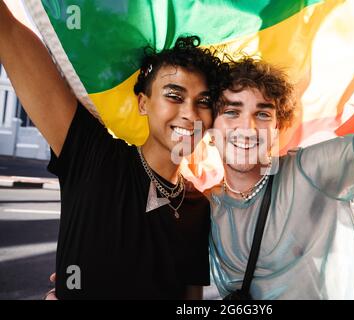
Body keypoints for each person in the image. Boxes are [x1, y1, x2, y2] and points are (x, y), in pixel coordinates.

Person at [0, 1, 230, 299]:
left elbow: (190, 300)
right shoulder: (92, 155)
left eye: (203, 102)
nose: (190, 113)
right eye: (174, 95)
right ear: (143, 103)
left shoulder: (200, 205)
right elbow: (9, 33)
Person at [207, 58, 354, 299]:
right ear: (210, 127)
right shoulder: (203, 206)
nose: (247, 126)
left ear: (278, 128)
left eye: (262, 114)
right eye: (231, 111)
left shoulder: (311, 171)